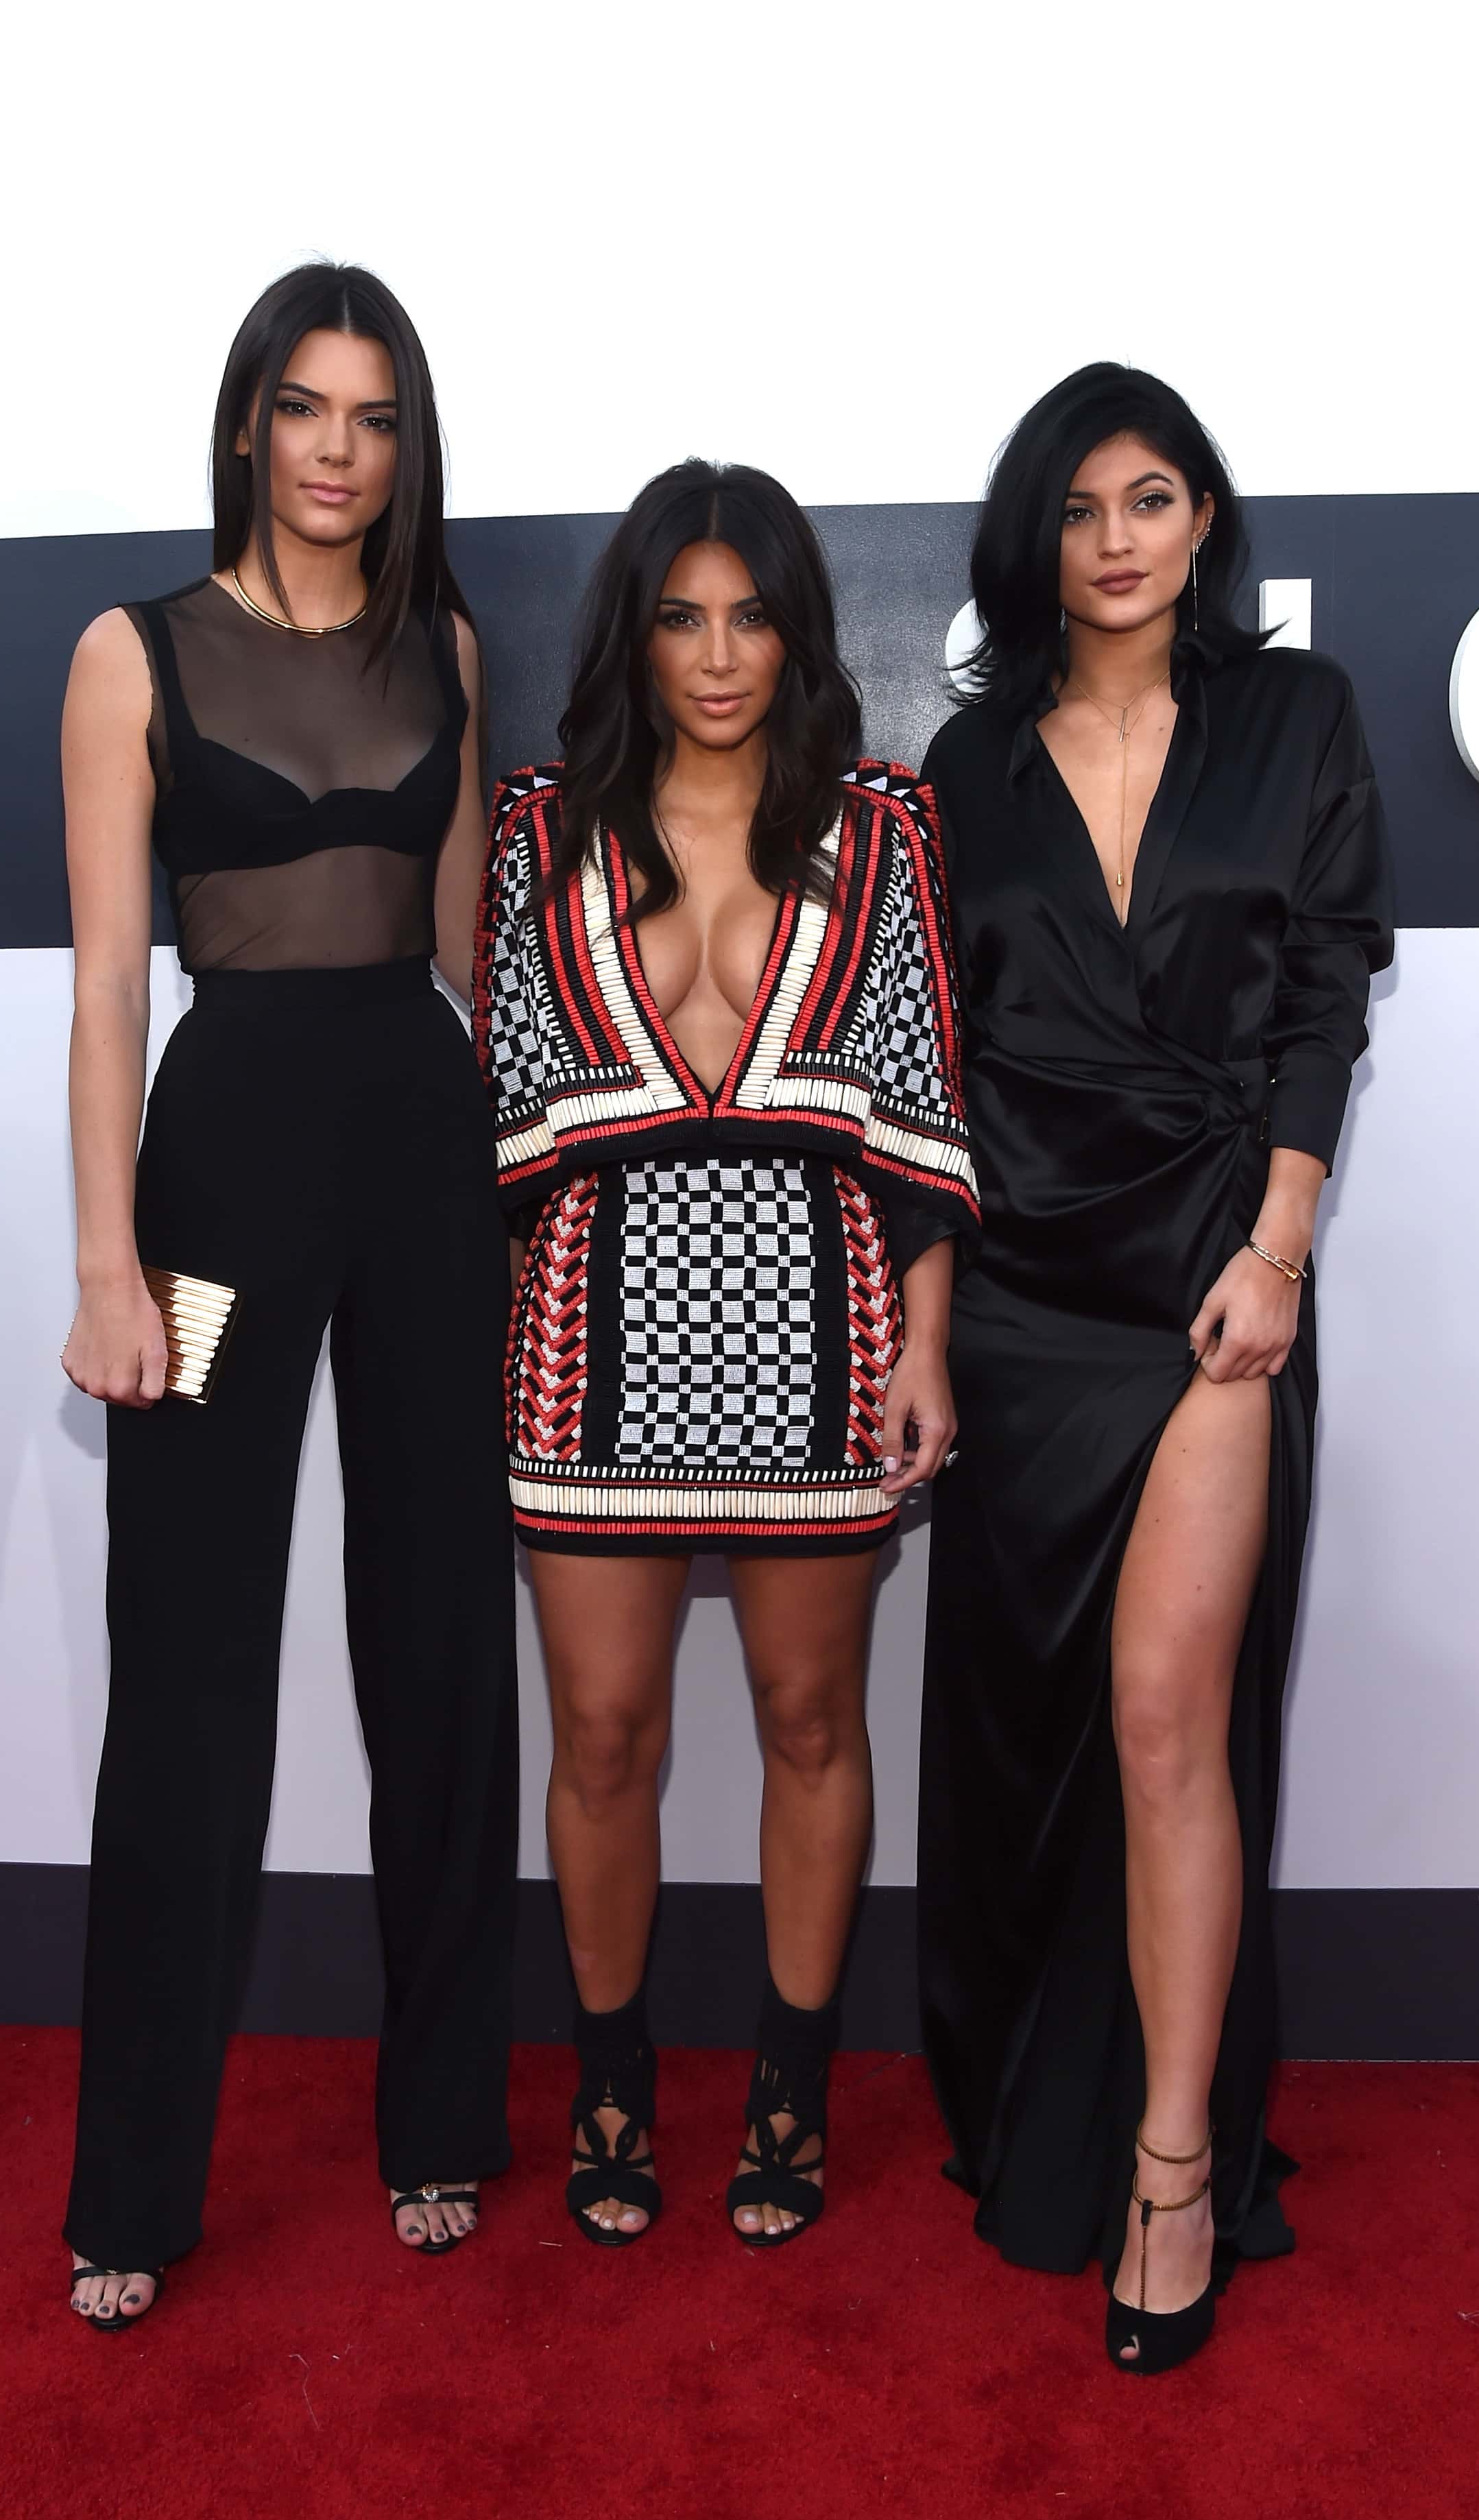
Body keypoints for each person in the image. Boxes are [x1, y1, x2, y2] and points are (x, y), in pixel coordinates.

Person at [57, 261, 518, 2327]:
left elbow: (472, 963)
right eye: (307, 410)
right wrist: (107, 1261)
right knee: (189, 1663)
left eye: (376, 418)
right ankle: (134, 2184)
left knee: (434, 1634)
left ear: (404, 444)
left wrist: (513, 1185)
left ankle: (439, 2121)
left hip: (422, 1156)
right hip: (219, 1170)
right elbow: (100, 994)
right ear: (249, 419)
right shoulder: (131, 653)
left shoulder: (449, 647)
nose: (339, 452)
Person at [918, 364, 1392, 2373]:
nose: (1119, 537)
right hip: (1023, 1291)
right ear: (1037, 536)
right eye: (1084, 505)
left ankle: (1178, 2166)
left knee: (1159, 1711)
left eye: (1156, 496)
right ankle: (1057, 2096)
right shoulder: (965, 767)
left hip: (1215, 1278)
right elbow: (926, 1073)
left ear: (1205, 522)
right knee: (1044, 1730)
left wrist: (1277, 1248)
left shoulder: (1297, 718)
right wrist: (931, 1332)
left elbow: (1322, 989)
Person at [475, 461, 981, 2250]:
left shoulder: (882, 831)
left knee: (806, 1721)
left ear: (799, 631)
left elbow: (918, 1117)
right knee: (603, 1731)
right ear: (636, 629)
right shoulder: (543, 830)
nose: (716, 653)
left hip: (825, 1345)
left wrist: (924, 1350)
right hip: (587, 1353)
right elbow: (514, 1137)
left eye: (750, 613)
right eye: (681, 614)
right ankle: (612, 2072)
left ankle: (788, 2078)